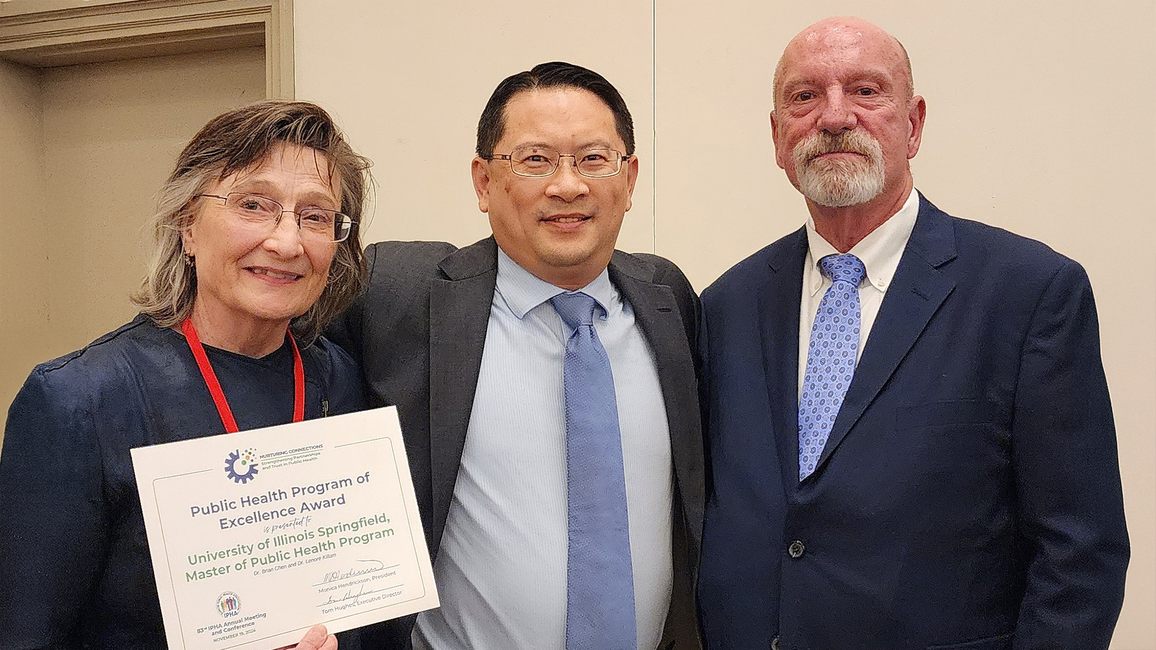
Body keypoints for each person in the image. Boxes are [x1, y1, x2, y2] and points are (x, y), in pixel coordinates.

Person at [696, 16, 1129, 650]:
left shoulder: (1029, 295)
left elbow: (1080, 554)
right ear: (777, 135)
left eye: (866, 91)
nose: (834, 116)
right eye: (804, 96)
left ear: (915, 123)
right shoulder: (725, 305)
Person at [329, 62, 703, 650]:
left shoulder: (669, 300)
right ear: (483, 182)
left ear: (629, 179)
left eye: (592, 159)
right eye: (534, 160)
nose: (567, 186)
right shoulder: (399, 294)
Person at [0, 100, 372, 650]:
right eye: (254, 205)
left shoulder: (339, 379)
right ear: (186, 226)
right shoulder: (79, 400)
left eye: (315, 216)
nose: (288, 243)